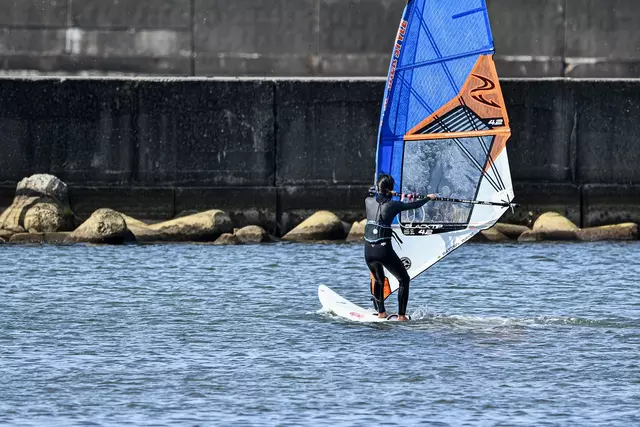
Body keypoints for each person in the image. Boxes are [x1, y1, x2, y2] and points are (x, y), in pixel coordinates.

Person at [364, 174, 435, 321]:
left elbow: (371, 193)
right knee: (404, 280)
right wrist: (428, 198)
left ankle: (381, 313)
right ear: (390, 189)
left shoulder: (368, 201)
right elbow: (414, 205)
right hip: (383, 251)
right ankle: (401, 316)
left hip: (368, 252)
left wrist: (383, 192)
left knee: (379, 280)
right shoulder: (394, 205)